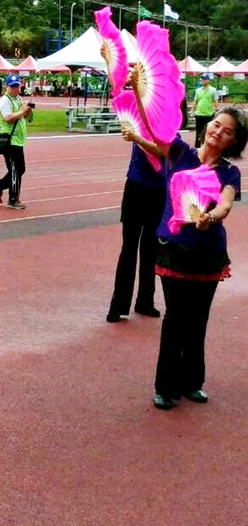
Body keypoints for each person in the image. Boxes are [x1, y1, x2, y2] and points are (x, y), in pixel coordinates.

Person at [123, 107, 245, 410]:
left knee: (198, 318)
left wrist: (210, 218)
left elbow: (226, 204)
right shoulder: (178, 152)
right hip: (173, 247)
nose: (219, 131)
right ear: (207, 127)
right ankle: (165, 386)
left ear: (234, 141)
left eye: (228, 130)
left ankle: (193, 382)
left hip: (209, 253)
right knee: (175, 317)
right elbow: (154, 128)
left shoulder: (229, 172)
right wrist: (138, 92)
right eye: (217, 124)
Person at [106, 101, 187, 323]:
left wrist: (137, 139)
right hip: (135, 188)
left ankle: (145, 301)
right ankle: (119, 304)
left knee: (150, 249)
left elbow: (163, 150)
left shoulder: (172, 131)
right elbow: (128, 98)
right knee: (129, 247)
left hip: (158, 193)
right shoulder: (142, 120)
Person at [0, 74, 33, 210]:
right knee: (16, 170)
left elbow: (27, 118)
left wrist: (27, 111)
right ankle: (13, 198)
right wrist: (21, 111)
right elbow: (8, 117)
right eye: (13, 86)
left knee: (19, 169)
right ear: (7, 87)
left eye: (17, 86)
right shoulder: (5, 100)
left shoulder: (19, 99)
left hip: (18, 141)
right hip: (9, 140)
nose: (16, 89)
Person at [193, 73, 217, 145]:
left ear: (208, 80)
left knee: (208, 131)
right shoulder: (198, 90)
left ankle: (206, 146)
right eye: (202, 79)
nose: (202, 81)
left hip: (208, 114)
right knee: (198, 132)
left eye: (204, 79)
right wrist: (194, 111)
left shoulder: (213, 90)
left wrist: (214, 110)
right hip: (199, 114)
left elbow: (216, 101)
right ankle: (197, 147)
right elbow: (195, 101)